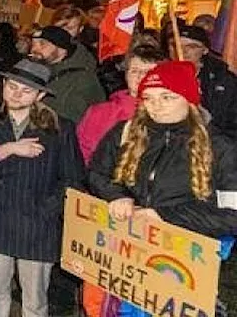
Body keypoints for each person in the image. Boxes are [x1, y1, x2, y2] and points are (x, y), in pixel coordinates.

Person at [86, 60, 237, 317]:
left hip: (183, 263)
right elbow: (98, 174)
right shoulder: (125, 133)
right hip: (130, 255)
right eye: (148, 98)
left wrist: (165, 216)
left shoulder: (220, 147)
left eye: (167, 97)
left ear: (189, 99)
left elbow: (232, 215)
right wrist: (117, 195)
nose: (156, 106)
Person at [0, 58, 83, 317]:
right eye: (12, 86)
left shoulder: (59, 128)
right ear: (3, 84)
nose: (16, 93)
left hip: (38, 225)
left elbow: (72, 178)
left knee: (34, 299)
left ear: (40, 95)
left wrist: (48, 209)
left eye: (26, 90)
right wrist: (7, 149)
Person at [76, 45, 164, 164]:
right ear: (126, 75)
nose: (140, 76)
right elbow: (82, 154)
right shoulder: (100, 112)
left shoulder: (169, 112)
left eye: (148, 72)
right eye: (134, 70)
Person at [173, 23, 237, 138]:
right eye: (177, 45)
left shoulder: (224, 81)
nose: (182, 51)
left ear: (205, 50)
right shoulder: (160, 77)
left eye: (191, 46)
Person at [29, 26, 104, 123]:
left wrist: (38, 103)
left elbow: (78, 117)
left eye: (42, 44)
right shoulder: (35, 68)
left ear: (61, 49)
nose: (34, 49)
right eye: (33, 44)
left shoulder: (84, 78)